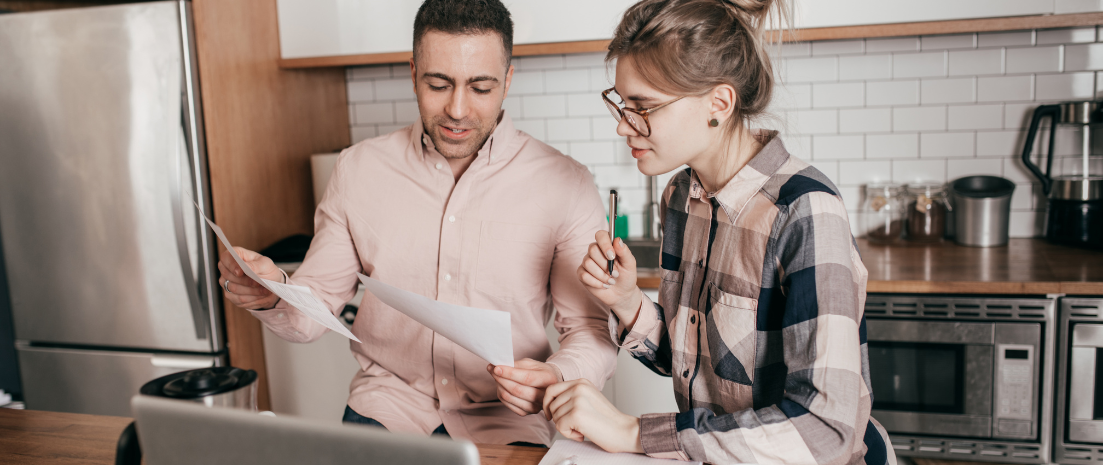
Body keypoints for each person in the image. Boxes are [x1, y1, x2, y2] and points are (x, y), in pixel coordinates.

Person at [216, 0, 617, 447]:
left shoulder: (567, 183)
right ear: (413, 73)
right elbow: (314, 307)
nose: (458, 110)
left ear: (507, 81)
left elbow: (590, 331)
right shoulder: (357, 170)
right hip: (386, 407)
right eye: (438, 84)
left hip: (507, 418)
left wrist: (556, 374)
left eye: (480, 87)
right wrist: (273, 294)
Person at [543, 0, 896, 463]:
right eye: (622, 104)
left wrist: (632, 432)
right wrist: (625, 301)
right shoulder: (682, 197)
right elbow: (698, 365)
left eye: (643, 107)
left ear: (719, 103)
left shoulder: (804, 211)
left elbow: (826, 431)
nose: (624, 127)